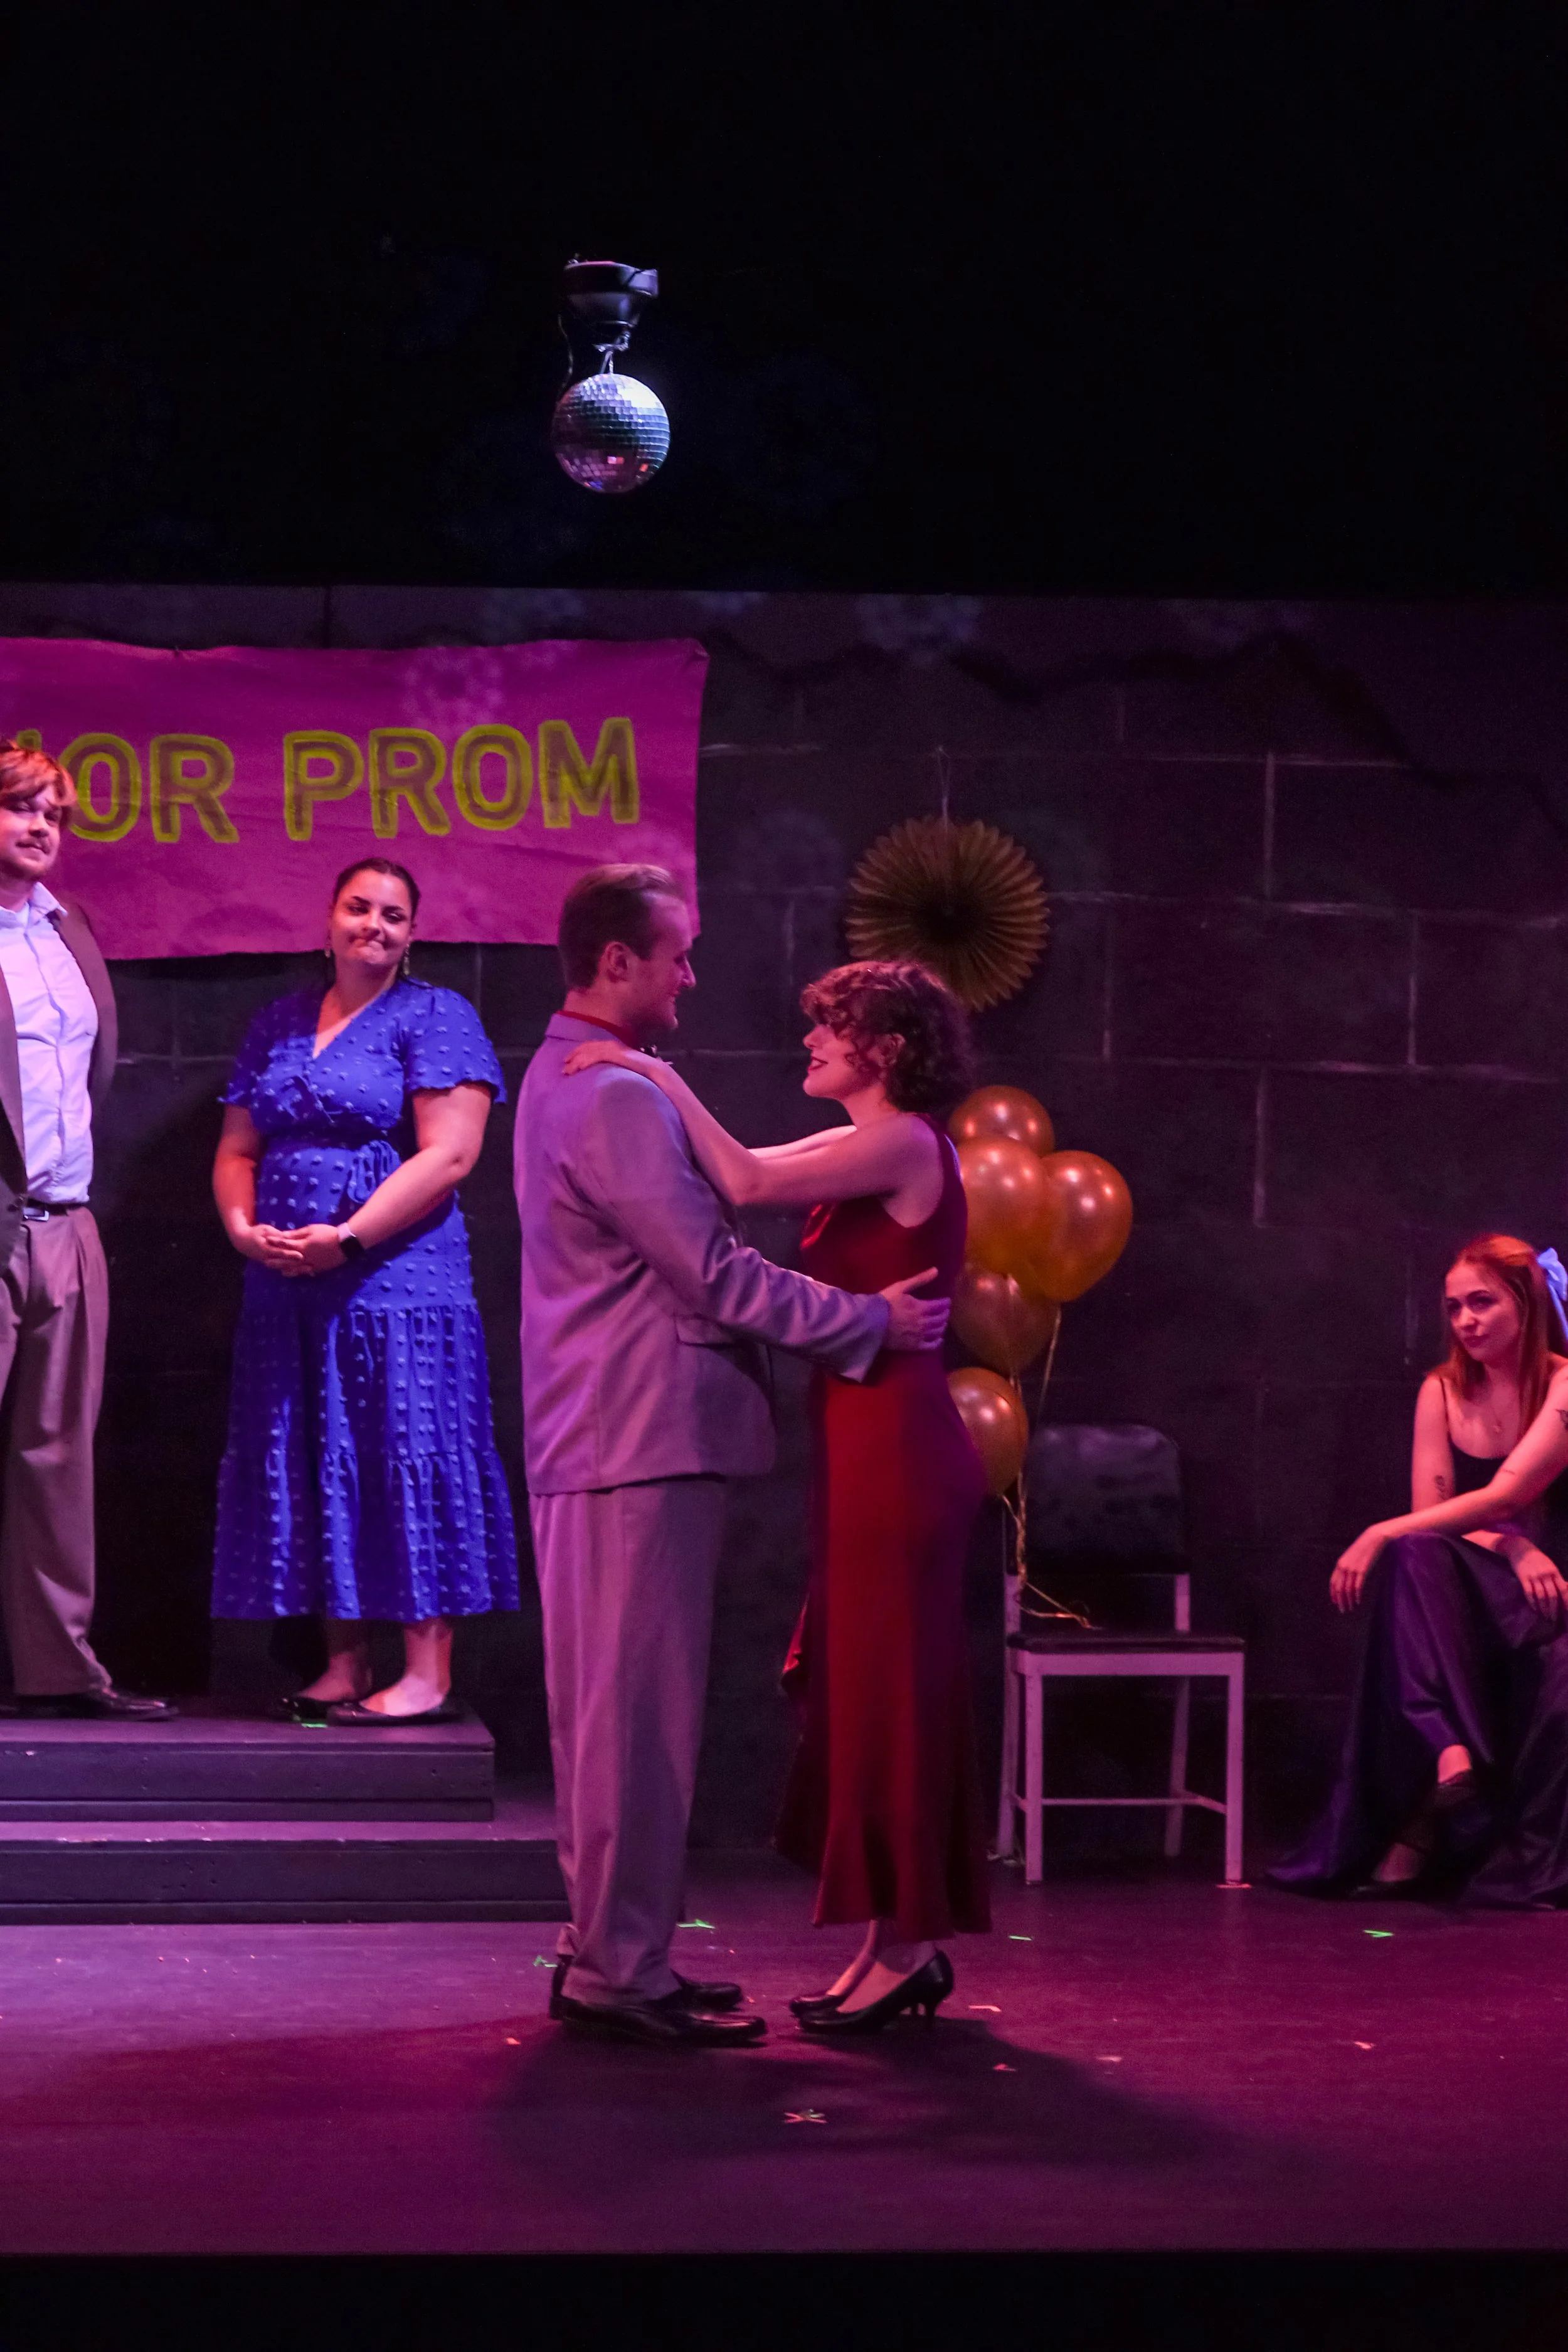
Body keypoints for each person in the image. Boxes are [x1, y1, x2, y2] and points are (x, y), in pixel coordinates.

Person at [519, 866, 951, 2050]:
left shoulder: (576, 1075)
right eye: (677, 955)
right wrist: (868, 1323)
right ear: (619, 963)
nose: (691, 976)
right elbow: (711, 1271)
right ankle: (618, 1968)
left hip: (613, 1434)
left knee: (617, 1717)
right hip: (633, 1436)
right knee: (632, 1722)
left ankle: (616, 1949)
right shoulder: (609, 1093)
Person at [211, 857, 519, 1723]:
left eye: (393, 914)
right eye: (359, 907)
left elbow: (450, 1154)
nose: (374, 925)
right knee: (320, 1452)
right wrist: (243, 1229)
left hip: (397, 1283)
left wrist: (347, 1238)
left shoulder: (437, 1015)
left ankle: (426, 1671)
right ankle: (344, 1662)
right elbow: (237, 1147)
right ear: (329, 919)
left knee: (405, 1448)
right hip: (286, 1286)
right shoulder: (277, 1021)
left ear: (412, 934)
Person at [1273, 1234, 1568, 1903]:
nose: (1464, 1321)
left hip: (1553, 1594)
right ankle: (1447, 1757)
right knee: (1416, 1554)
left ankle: (1426, 1826)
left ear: (1525, 1305)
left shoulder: (1563, 1385)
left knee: (1402, 1546)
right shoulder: (1439, 1391)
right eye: (1454, 1307)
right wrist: (1512, 1548)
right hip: (1489, 1580)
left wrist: (1376, 1531)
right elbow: (1436, 1521)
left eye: (1482, 1303)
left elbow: (1505, 1497)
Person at [0, 741, 172, 1720]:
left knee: (59, 1454)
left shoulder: (73, 934)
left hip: (66, 1222)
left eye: (53, 814)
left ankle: (61, 1669)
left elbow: (88, 1074)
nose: (39, 828)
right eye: (21, 807)